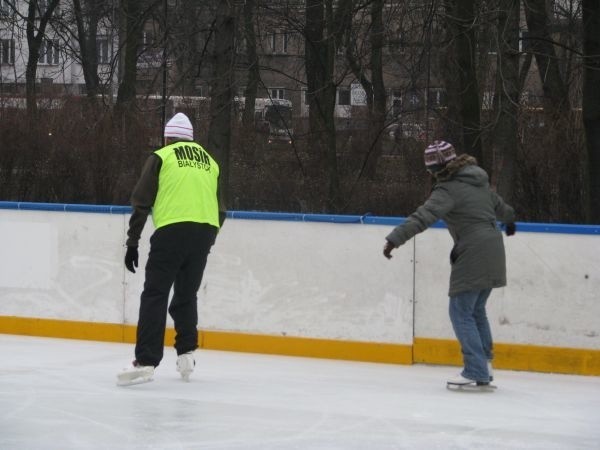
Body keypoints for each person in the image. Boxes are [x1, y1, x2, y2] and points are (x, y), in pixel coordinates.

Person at [383, 140, 515, 387]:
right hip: (493, 247)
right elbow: (499, 206)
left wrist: (394, 239)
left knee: (460, 311)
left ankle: (475, 369)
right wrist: (509, 220)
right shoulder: (478, 180)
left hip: (473, 250)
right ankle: (484, 365)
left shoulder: (447, 190)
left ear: (436, 169)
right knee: (475, 310)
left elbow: (422, 216)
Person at [117, 112, 225, 386]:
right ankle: (186, 353)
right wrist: (208, 237)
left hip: (172, 231)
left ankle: (146, 360)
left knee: (155, 293)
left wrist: (132, 242)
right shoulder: (210, 163)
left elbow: (141, 201)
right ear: (190, 138)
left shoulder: (162, 156)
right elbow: (221, 210)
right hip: (204, 231)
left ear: (167, 137)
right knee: (186, 294)